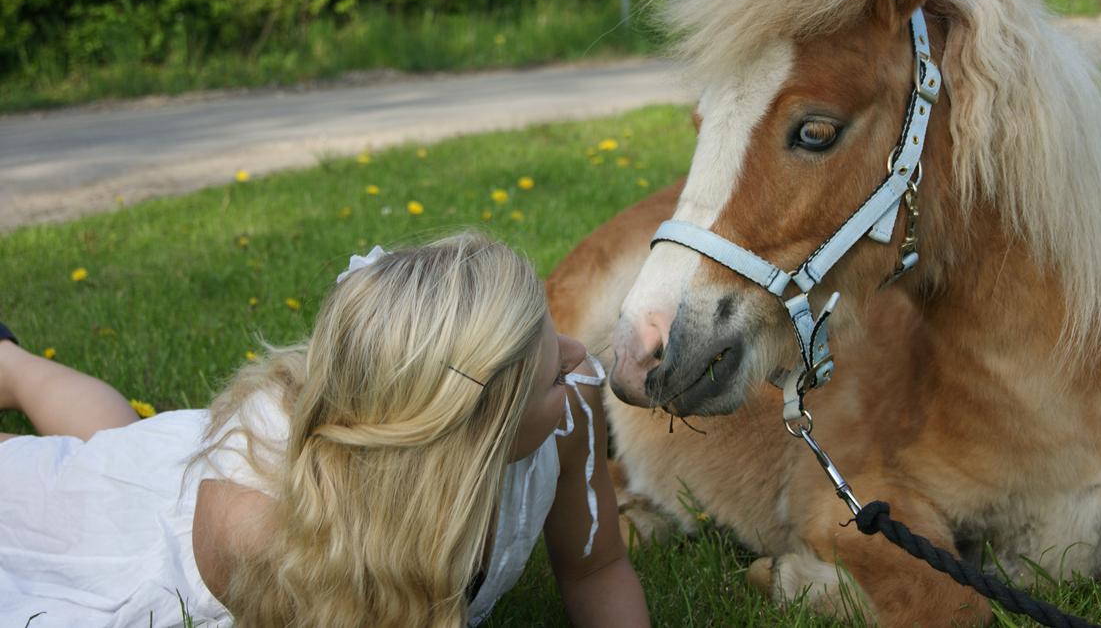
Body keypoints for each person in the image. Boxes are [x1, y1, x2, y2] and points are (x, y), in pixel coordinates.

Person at [0, 232, 651, 627]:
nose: (578, 355)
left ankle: (14, 364)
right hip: (149, 537)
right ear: (473, 439)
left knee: (115, 443)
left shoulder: (566, 409)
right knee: (70, 476)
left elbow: (597, 566)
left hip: (172, 468)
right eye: (552, 369)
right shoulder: (265, 532)